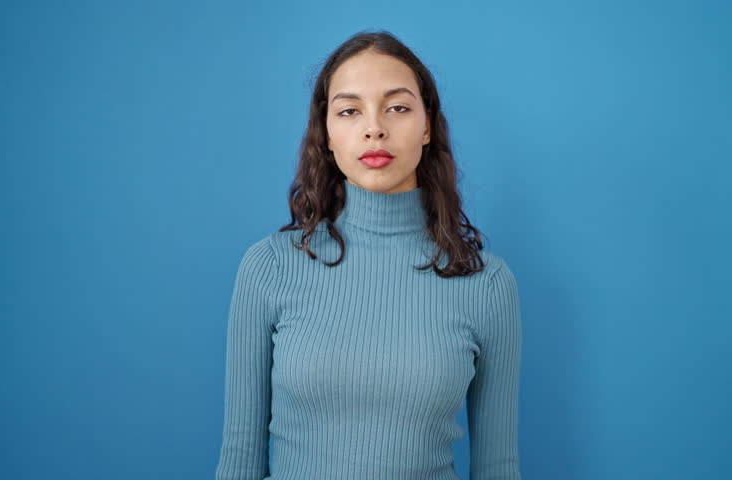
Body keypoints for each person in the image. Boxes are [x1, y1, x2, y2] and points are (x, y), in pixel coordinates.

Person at [215, 30, 523, 480]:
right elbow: (240, 458)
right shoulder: (269, 267)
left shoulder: (487, 284)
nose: (374, 127)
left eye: (397, 107)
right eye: (350, 110)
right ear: (327, 135)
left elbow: (498, 467)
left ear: (427, 128)